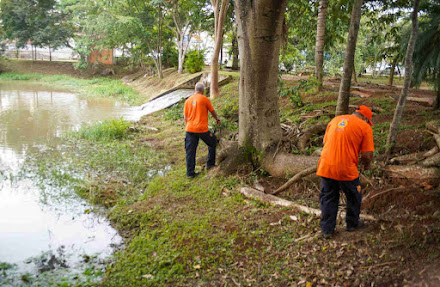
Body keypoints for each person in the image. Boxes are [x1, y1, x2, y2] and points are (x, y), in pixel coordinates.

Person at [316, 105, 374, 239]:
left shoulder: (335, 120)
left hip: (326, 166)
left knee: (328, 197)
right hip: (346, 169)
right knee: (354, 196)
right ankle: (352, 224)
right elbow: (366, 155)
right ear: (365, 118)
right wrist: (367, 165)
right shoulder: (365, 127)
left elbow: (326, 142)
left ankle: (327, 230)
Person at [184, 82, 221, 178]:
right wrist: (217, 119)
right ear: (203, 91)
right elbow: (212, 111)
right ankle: (210, 164)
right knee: (213, 142)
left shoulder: (188, 100)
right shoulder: (204, 99)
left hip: (189, 129)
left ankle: (190, 173)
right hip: (201, 129)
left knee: (190, 151)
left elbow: (185, 117)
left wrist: (187, 127)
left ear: (195, 90)